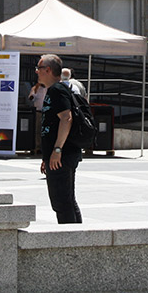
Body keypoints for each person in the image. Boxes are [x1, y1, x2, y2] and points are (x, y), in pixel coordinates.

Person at [36, 54, 82, 224]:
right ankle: (77, 237)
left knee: (62, 203)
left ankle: (71, 241)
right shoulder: (53, 90)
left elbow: (66, 118)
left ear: (47, 70)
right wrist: (46, 157)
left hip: (62, 155)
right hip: (59, 155)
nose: (36, 72)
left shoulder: (57, 90)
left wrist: (57, 150)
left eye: (39, 69)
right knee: (67, 200)